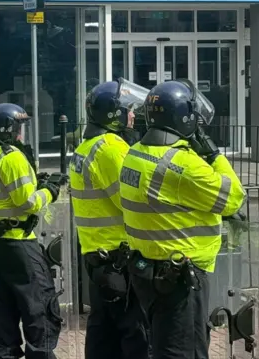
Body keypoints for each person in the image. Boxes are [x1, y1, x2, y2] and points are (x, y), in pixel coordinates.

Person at [120, 79, 246, 359]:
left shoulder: (135, 153)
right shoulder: (181, 164)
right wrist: (213, 153)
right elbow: (234, 197)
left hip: (149, 270)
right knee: (183, 352)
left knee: (163, 345)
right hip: (180, 276)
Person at [0, 103, 62, 359]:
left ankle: (5, 353)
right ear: (8, 129)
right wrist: (50, 191)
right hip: (18, 240)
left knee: (3, 304)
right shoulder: (11, 157)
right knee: (38, 301)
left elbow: (4, 194)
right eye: (18, 128)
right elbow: (27, 202)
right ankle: (41, 354)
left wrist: (37, 183)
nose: (21, 134)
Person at [70, 79, 150, 359]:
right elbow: (132, 201)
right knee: (135, 334)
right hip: (121, 258)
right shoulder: (111, 148)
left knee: (103, 335)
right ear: (112, 113)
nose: (132, 115)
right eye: (128, 109)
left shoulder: (86, 147)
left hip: (98, 256)